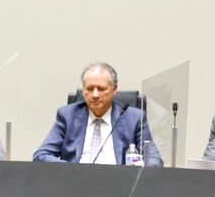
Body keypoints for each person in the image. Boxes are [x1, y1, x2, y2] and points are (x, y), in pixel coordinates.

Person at [33, 62, 162, 166]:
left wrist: (138, 169)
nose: (95, 95)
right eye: (89, 89)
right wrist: (72, 171)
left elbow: (154, 159)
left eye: (101, 89)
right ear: (83, 90)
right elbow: (41, 155)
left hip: (120, 187)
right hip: (75, 186)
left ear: (114, 89)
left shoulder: (134, 118)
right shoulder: (67, 116)